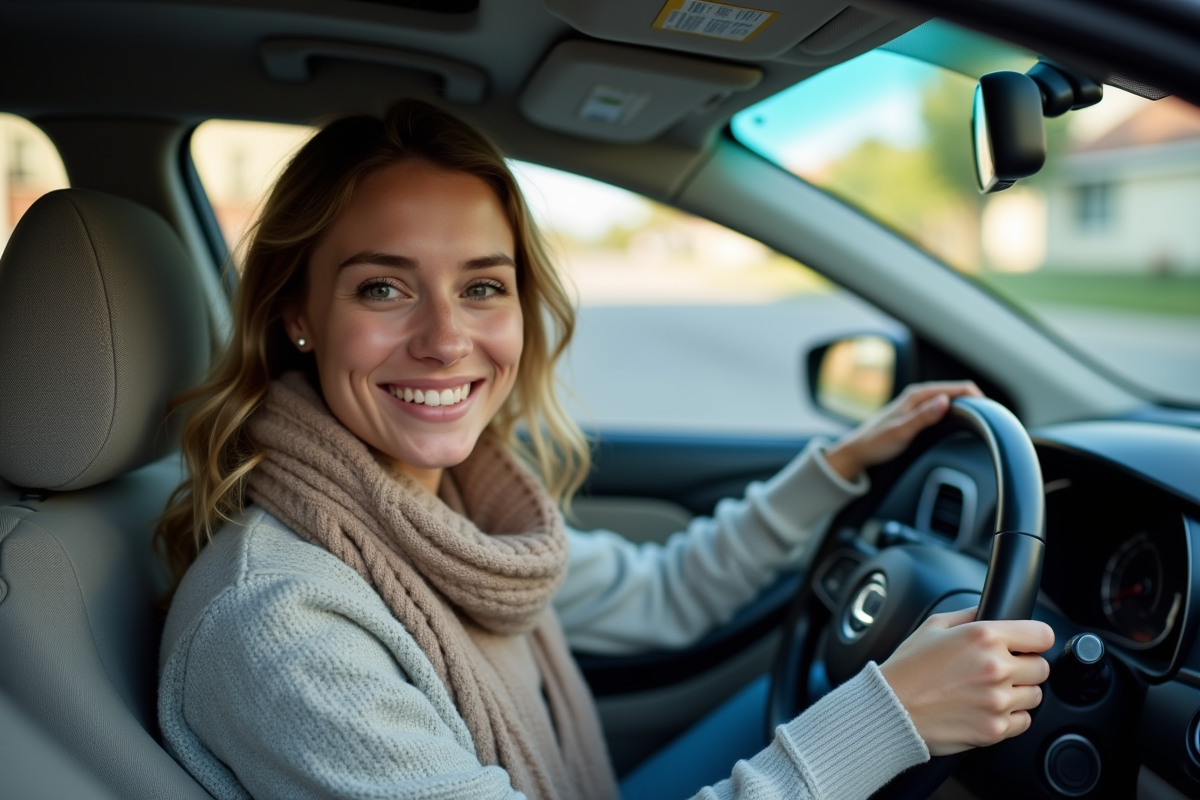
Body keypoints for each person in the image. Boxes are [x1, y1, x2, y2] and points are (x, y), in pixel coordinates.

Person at [155, 99, 1054, 800]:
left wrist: (841, 465)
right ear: (298, 315)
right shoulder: (278, 624)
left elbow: (663, 594)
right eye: (383, 287)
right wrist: (890, 716)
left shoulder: (449, 512)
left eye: (482, 287)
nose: (444, 339)